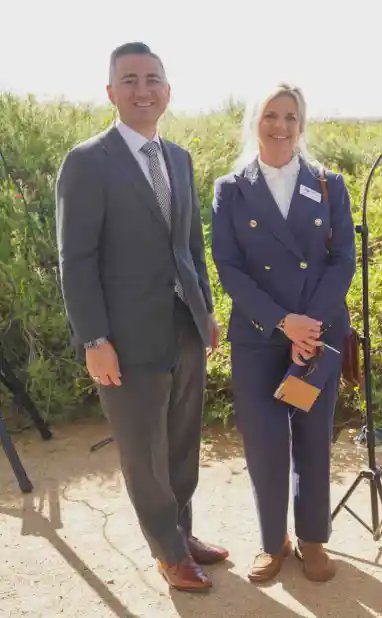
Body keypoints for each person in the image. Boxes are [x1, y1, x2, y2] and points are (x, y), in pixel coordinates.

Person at [56, 42, 227, 592]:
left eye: (152, 79)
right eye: (129, 80)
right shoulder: (87, 161)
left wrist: (206, 311)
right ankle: (167, 552)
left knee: (180, 439)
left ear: (168, 92)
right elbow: (75, 259)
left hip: (183, 325)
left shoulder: (178, 157)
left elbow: (188, 245)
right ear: (111, 92)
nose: (142, 89)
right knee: (143, 450)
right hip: (124, 336)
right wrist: (94, 338)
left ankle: (181, 532)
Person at [211, 83, 355, 583]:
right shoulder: (231, 188)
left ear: (302, 123)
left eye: (290, 116)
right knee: (266, 444)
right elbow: (228, 266)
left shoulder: (328, 183)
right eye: (271, 115)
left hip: (316, 338)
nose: (280, 125)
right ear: (254, 120)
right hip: (259, 336)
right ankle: (274, 542)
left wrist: (309, 325)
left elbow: (343, 261)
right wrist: (282, 321)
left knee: (313, 439)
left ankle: (313, 540)